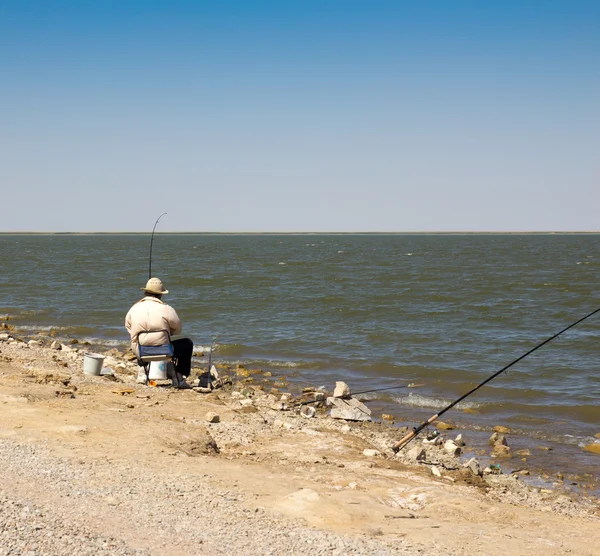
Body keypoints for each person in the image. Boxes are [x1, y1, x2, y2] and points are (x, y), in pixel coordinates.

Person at [125, 277, 193, 388]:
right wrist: (167, 332)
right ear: (160, 294)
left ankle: (142, 374)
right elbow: (178, 329)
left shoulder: (134, 308)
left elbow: (128, 327)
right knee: (187, 343)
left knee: (137, 339)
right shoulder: (167, 309)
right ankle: (179, 378)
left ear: (145, 292)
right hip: (165, 351)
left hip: (141, 352)